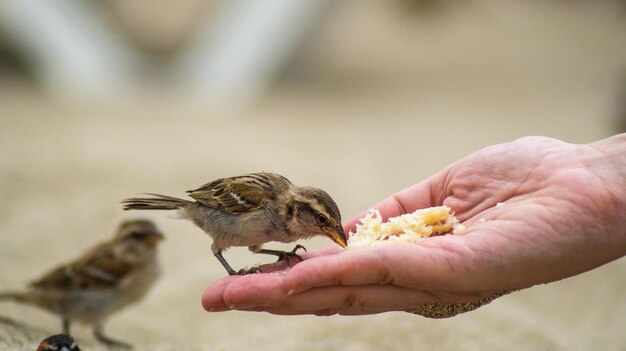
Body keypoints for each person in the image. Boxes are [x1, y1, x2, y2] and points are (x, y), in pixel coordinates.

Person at [201, 134, 626, 316]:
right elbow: (213, 198)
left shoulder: (290, 218)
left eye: (333, 224)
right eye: (324, 223)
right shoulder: (262, 201)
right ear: (299, 211)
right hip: (211, 213)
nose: (335, 231)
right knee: (234, 262)